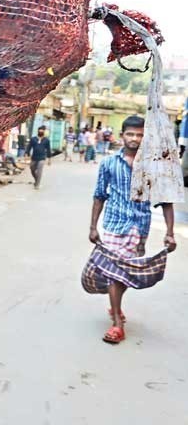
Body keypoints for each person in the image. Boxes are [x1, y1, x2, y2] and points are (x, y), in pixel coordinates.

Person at [87, 115, 176, 344]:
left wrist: (169, 232)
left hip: (139, 228)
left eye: (139, 135)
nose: (135, 138)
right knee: (114, 273)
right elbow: (99, 195)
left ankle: (115, 306)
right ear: (122, 136)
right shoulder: (109, 163)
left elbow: (165, 200)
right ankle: (117, 323)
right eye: (130, 134)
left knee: (125, 273)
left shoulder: (153, 167)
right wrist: (93, 227)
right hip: (114, 225)